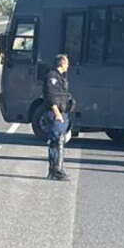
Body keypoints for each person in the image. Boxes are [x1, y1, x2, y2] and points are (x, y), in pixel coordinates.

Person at [42, 53, 74, 181]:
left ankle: (57, 169)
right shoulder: (51, 77)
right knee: (56, 141)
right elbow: (51, 96)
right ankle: (55, 170)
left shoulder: (60, 77)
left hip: (62, 113)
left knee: (59, 140)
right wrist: (57, 114)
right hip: (56, 114)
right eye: (67, 63)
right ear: (62, 64)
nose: (68, 66)